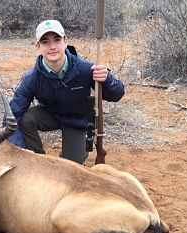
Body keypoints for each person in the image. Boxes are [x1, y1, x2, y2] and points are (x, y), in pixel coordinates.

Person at [7, 20, 125, 164]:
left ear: (65, 41)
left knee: (72, 165)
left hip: (77, 120)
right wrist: (18, 146)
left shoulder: (86, 69)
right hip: (51, 114)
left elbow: (117, 95)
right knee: (26, 118)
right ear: (38, 46)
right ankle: (37, 161)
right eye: (45, 42)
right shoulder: (32, 79)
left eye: (57, 40)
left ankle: (69, 157)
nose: (52, 46)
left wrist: (108, 79)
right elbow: (13, 114)